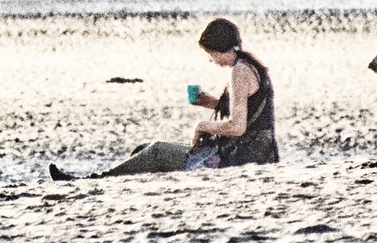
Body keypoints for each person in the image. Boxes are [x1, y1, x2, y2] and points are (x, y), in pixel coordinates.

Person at [49, 17, 278, 180]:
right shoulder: (248, 65)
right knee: (143, 150)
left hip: (244, 156)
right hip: (252, 151)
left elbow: (237, 127)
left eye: (210, 54)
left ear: (219, 48)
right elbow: (247, 113)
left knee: (157, 150)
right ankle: (112, 182)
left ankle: (93, 180)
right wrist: (211, 103)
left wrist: (202, 126)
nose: (210, 60)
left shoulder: (239, 71)